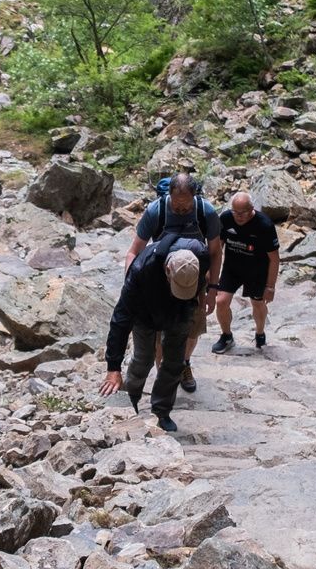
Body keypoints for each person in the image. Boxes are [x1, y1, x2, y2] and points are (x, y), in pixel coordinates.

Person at [99, 238, 209, 433]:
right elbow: (121, 319)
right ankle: (130, 402)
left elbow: (205, 281)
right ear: (168, 271)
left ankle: (162, 411)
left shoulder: (199, 255)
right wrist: (113, 367)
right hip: (145, 314)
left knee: (175, 363)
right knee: (143, 358)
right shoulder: (141, 269)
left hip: (181, 311)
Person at [127, 173, 222, 392]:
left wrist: (213, 289)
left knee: (193, 329)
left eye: (186, 205)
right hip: (161, 281)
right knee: (161, 335)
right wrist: (131, 285)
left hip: (197, 280)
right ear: (169, 195)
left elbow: (216, 252)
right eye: (176, 204)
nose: (180, 209)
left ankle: (184, 363)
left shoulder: (205, 211)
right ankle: (166, 375)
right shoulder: (156, 211)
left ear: (194, 196)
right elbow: (134, 252)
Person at [211, 191, 279, 353]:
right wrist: (211, 275)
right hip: (232, 268)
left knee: (257, 303)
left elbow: (274, 259)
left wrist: (270, 287)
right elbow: (217, 248)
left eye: (243, 213)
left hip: (257, 270)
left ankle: (260, 333)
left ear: (252, 209)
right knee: (221, 302)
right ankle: (226, 336)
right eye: (235, 212)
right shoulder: (226, 219)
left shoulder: (264, 225)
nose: (238, 216)